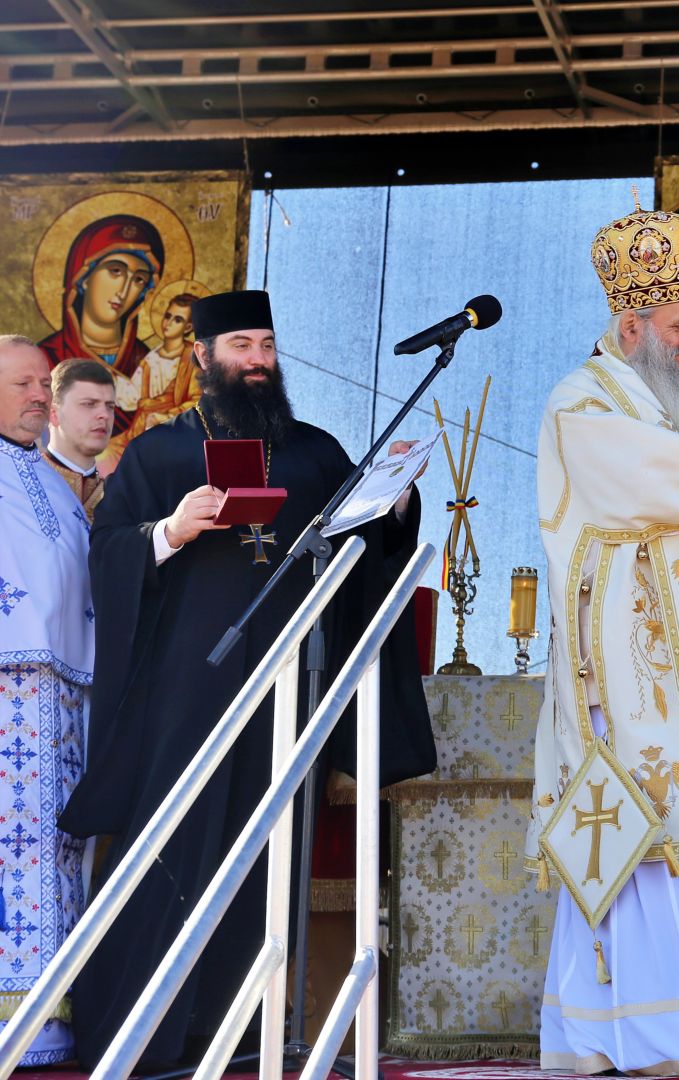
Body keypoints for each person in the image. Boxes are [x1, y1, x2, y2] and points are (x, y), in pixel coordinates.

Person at [58, 289, 437, 1071]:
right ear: (203, 355)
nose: (259, 360)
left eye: (266, 345)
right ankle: (142, 1038)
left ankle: (237, 1037)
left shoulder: (316, 453)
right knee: (174, 847)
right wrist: (170, 530)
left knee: (269, 857)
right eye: (242, 346)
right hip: (187, 694)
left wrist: (398, 504)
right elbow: (109, 552)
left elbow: (366, 544)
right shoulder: (161, 453)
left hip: (292, 687)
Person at [525, 203, 679, 1076]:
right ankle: (663, 1037)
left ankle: (635, 1032)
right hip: (633, 672)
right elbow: (654, 480)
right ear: (630, 324)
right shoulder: (583, 400)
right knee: (652, 836)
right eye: (678, 326)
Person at [0, 336, 93, 1066]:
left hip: (64, 700)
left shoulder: (55, 483)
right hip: (8, 691)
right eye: (24, 383)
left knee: (61, 854)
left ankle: (50, 1021)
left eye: (44, 383)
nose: (40, 395)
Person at [35, 215, 164, 434]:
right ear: (84, 276)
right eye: (116, 271)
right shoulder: (44, 359)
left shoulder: (149, 363)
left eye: (138, 279)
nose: (124, 291)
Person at [112, 291, 202, 457]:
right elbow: (133, 395)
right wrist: (111, 379)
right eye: (167, 316)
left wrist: (165, 417)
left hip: (176, 432)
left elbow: (198, 401)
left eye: (177, 320)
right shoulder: (151, 358)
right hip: (140, 429)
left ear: (188, 327)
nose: (168, 323)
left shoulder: (192, 358)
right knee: (109, 453)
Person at [45, 359, 116, 520]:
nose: (104, 414)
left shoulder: (122, 497)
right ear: (53, 414)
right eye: (89, 404)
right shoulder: (18, 488)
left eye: (110, 406)